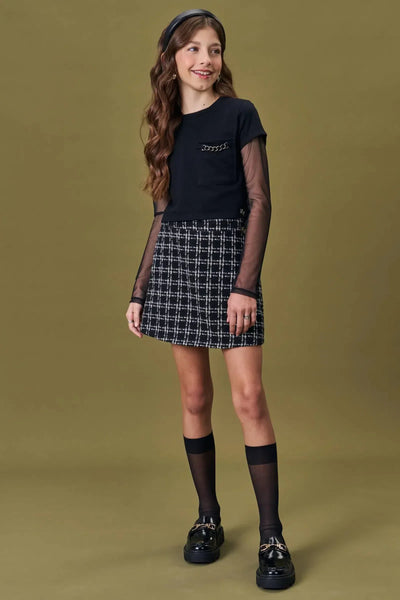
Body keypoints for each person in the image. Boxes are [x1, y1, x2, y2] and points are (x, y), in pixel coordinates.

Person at [125, 8, 295, 590]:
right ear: (171, 59)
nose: (205, 59)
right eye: (193, 49)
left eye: (214, 49)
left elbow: (260, 202)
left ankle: (272, 536)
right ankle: (208, 518)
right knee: (195, 397)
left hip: (229, 265)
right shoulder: (165, 129)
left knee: (249, 399)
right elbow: (161, 217)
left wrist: (244, 285)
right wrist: (140, 291)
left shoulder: (240, 114)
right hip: (177, 267)